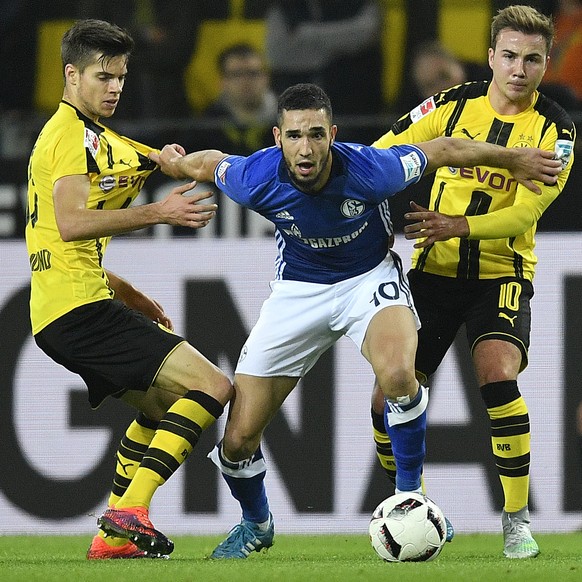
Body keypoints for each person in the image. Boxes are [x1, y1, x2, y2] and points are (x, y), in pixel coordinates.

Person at [150, 82, 560, 559]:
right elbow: (207, 162)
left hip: (368, 282)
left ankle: (411, 497)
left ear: (333, 135)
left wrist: (513, 160)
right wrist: (175, 162)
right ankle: (256, 524)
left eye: (318, 135)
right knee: (238, 441)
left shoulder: (371, 168)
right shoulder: (254, 176)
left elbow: (445, 148)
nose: (307, 148)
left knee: (400, 376)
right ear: (277, 137)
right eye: (296, 135)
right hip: (298, 293)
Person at [369, 4, 575, 559]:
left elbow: (522, 217)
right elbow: (385, 154)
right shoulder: (451, 104)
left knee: (496, 371)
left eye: (532, 59)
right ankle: (415, 508)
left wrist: (456, 225)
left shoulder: (557, 130)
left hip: (500, 274)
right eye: (509, 55)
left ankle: (516, 521)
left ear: (544, 63)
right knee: (385, 397)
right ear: (490, 57)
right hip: (432, 274)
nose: (519, 68)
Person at [24, 19, 233, 560]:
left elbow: (55, 241)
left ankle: (114, 537)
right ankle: (130, 510)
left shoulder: (91, 136)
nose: (113, 86)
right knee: (213, 386)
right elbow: (72, 223)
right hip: (79, 311)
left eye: (119, 76)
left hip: (67, 309)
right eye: (101, 76)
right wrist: (161, 210)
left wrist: (126, 291)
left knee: (164, 407)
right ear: (70, 75)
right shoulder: (69, 136)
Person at [265, 1, 384, 115]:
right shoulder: (283, 6)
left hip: (355, 104)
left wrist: (307, 35)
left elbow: (366, 33)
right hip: (297, 106)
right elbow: (277, 55)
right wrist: (335, 48)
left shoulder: (360, 3)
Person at [198, 43, 277, 156]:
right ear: (222, 82)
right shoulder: (203, 128)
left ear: (266, 78)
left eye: (253, 73)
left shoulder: (286, 121)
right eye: (237, 74)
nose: (246, 81)